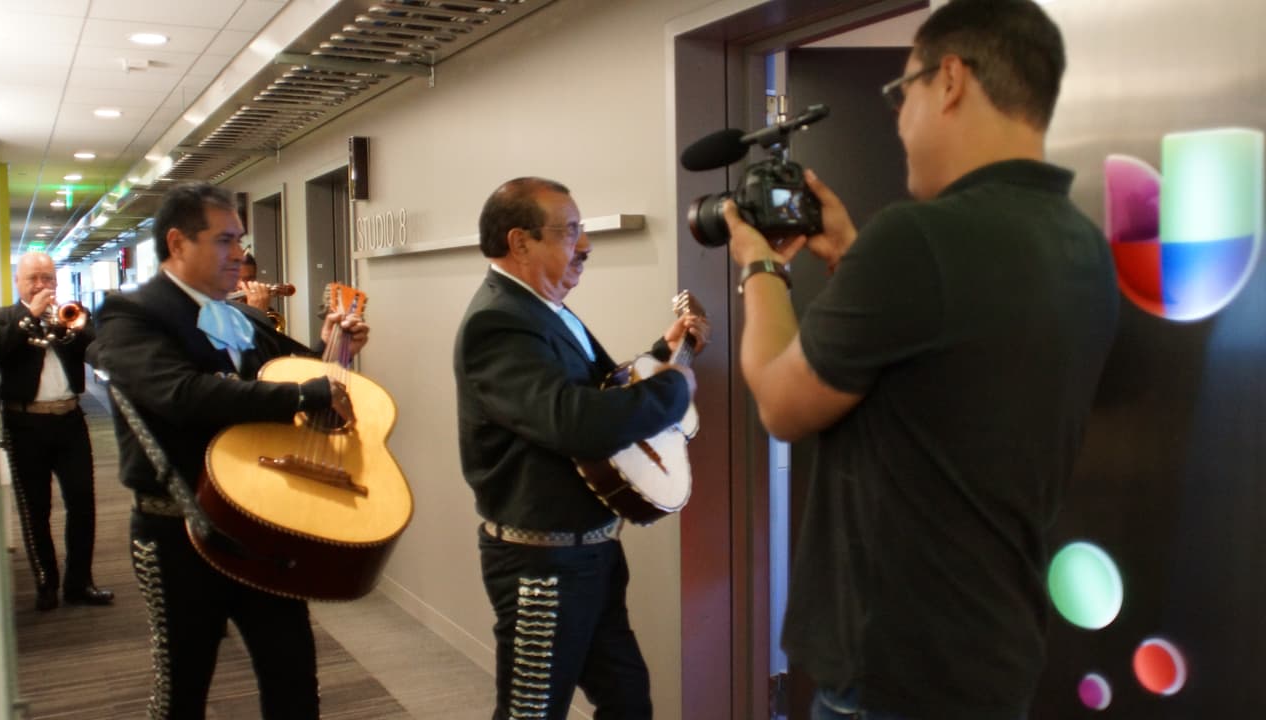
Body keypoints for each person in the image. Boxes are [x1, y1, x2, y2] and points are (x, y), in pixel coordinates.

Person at [724, 1, 1119, 718]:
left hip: (892, 669)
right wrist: (853, 254)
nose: (899, 118)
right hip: (993, 650)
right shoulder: (1080, 243)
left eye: (900, 92)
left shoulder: (917, 240)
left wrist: (760, 268)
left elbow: (782, 405)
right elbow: (944, 366)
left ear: (951, 80)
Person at [92, 182, 369, 719]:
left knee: (293, 679)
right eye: (224, 240)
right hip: (178, 532)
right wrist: (304, 393)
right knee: (183, 690)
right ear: (177, 243)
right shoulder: (131, 314)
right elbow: (182, 394)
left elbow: (298, 375)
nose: (239, 254)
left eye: (239, 239)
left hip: (259, 528)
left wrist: (336, 351)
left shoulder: (240, 318)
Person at [454, 177, 707, 719]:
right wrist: (674, 387)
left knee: (626, 700)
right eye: (570, 232)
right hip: (541, 563)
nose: (585, 245)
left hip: (589, 552)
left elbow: (596, 391)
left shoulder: (542, 310)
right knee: (532, 713)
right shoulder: (497, 322)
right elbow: (576, 423)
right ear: (520, 242)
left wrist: (665, 352)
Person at [0, 252, 113, 611]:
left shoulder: (70, 315)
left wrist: (67, 328)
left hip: (70, 420)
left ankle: (80, 582)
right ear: (18, 281)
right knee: (35, 508)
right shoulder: (1, 319)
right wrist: (29, 318)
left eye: (48, 278)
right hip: (24, 422)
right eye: (34, 278)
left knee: (82, 503)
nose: (42, 285)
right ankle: (46, 582)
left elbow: (95, 351)